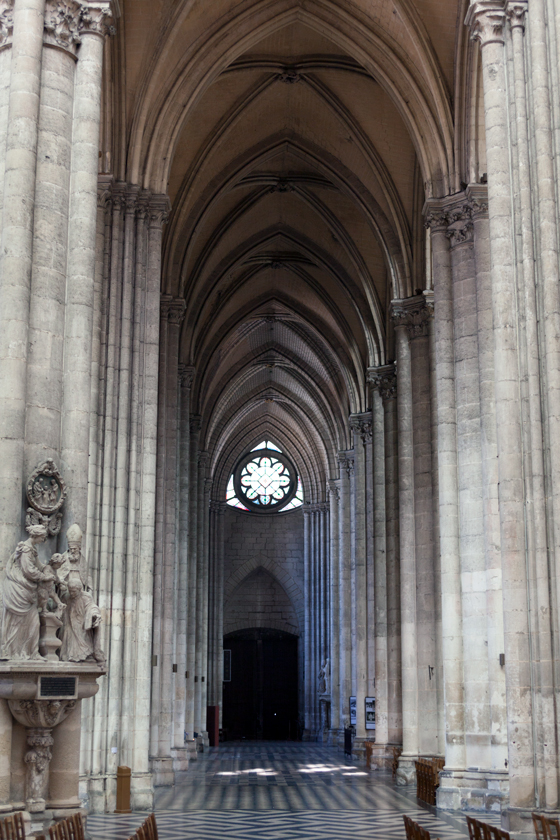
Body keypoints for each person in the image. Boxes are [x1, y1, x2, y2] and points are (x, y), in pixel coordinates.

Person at [1, 525, 55, 660]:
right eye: (42, 537)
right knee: (17, 624)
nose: (43, 540)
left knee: (34, 623)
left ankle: (32, 652)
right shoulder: (26, 549)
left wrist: (49, 569)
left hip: (26, 591)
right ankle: (12, 651)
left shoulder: (32, 549)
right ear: (36, 535)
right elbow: (29, 571)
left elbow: (39, 566)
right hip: (18, 591)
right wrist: (44, 577)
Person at [59, 574, 105, 665]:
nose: (71, 593)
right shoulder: (66, 596)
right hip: (69, 623)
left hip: (81, 624)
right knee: (68, 640)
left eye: (74, 591)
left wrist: (95, 615)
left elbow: (91, 607)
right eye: (70, 591)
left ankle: (85, 656)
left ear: (80, 589)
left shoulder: (86, 597)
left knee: (83, 641)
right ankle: (69, 656)